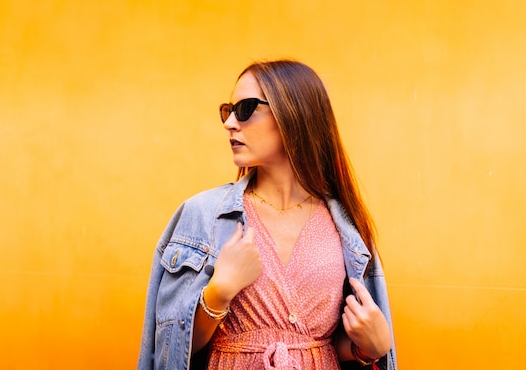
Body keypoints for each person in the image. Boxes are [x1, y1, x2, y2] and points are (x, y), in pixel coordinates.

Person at [138, 59, 396, 370]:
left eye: (245, 109)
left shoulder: (346, 227)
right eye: (227, 110)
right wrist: (218, 293)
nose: (230, 123)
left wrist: (370, 349)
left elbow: (324, 343)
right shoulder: (202, 215)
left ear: (293, 114)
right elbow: (169, 349)